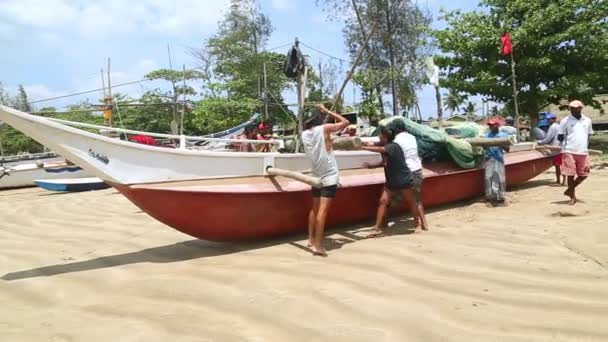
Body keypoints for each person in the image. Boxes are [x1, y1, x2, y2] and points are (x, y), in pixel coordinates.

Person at [301, 104, 350, 256]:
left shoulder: (304, 134)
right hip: (328, 175)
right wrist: (327, 110)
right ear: (319, 118)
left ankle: (310, 239)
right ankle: (317, 245)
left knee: (314, 209)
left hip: (315, 175)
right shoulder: (324, 129)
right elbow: (345, 122)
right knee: (322, 211)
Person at [361, 126, 426, 235]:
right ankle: (377, 227)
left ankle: (417, 224)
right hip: (391, 180)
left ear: (385, 137)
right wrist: (372, 166)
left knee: (411, 201)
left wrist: (362, 148)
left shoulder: (393, 146)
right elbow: (385, 163)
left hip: (403, 178)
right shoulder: (387, 146)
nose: (378, 136)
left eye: (380, 135)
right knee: (383, 201)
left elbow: (380, 149)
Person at [391, 121, 428, 230]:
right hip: (417, 170)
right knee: (417, 199)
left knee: (393, 198)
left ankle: (383, 222)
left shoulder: (396, 140)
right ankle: (424, 224)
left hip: (406, 172)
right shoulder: (412, 137)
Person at [558, 100, 593, 205]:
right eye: (571, 108)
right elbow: (560, 136)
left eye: (575, 108)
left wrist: (586, 145)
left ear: (580, 108)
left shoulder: (587, 120)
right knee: (570, 174)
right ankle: (572, 196)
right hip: (569, 150)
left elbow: (589, 134)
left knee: (584, 174)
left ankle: (569, 190)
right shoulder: (565, 121)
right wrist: (562, 146)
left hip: (583, 151)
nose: (572, 110)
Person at [485, 118, 509, 206]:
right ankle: (490, 197)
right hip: (489, 158)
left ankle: (501, 196)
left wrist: (500, 143)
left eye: (492, 125)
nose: (490, 126)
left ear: (497, 125)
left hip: (499, 158)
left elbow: (508, 149)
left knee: (500, 178)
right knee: (488, 177)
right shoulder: (487, 135)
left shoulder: (503, 135)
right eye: (489, 125)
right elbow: (484, 147)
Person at [537, 113, 565, 185]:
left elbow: (548, 138)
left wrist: (539, 142)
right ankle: (564, 181)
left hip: (556, 149)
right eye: (548, 119)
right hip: (562, 148)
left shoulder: (553, 127)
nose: (549, 120)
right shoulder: (559, 126)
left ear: (554, 119)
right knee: (563, 166)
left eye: (550, 119)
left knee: (558, 166)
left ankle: (559, 181)